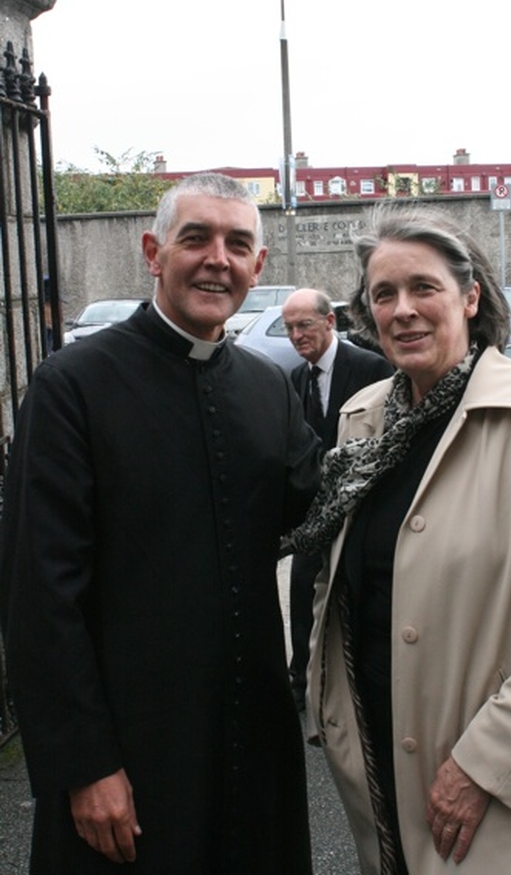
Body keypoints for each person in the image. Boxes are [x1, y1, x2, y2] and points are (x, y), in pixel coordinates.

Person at [0, 173, 321, 874]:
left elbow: (325, 509)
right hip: (130, 758)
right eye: (196, 238)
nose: (219, 259)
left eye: (239, 244)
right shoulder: (71, 387)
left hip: (251, 747)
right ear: (153, 250)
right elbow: (39, 596)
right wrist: (84, 764)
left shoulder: (269, 388)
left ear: (258, 266)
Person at [291, 203, 511, 875]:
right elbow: (331, 583)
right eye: (384, 293)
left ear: (469, 297)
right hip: (377, 762)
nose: (402, 308)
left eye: (423, 287)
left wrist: (482, 764)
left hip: (496, 782)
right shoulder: (360, 424)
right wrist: (332, 717)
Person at [282, 288, 393, 710]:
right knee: (302, 594)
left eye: (304, 325)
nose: (296, 336)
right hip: (314, 518)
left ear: (329, 322)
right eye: (290, 328)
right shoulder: (295, 379)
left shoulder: (370, 368)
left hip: (362, 511)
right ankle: (301, 685)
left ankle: (356, 685)